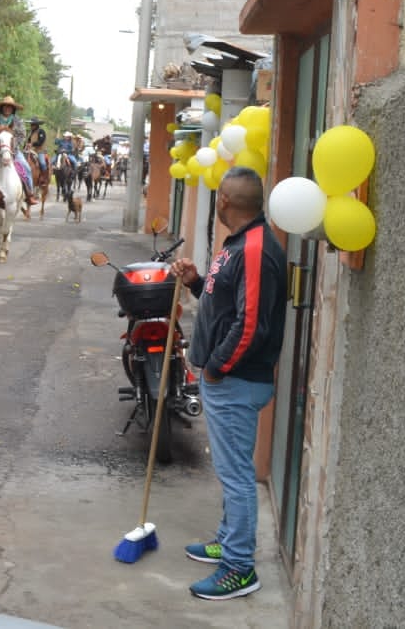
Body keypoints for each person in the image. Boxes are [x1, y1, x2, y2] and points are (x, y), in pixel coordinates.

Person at [168, 166, 288, 601]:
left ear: (224, 201)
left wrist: (216, 368)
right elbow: (226, 307)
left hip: (235, 381)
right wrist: (197, 282)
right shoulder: (239, 244)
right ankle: (227, 539)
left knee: (237, 476)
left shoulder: (254, 247)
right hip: (228, 378)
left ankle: (239, 566)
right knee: (230, 470)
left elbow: (251, 323)